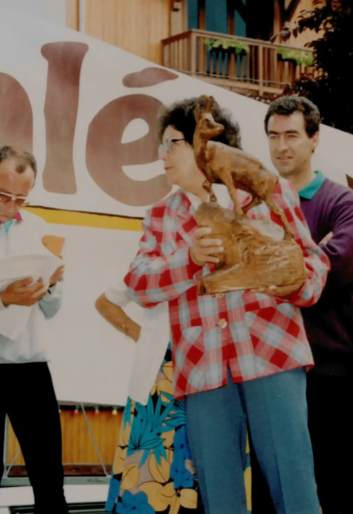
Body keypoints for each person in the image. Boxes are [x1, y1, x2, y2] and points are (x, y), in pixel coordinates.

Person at [124, 97, 328, 514]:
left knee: (296, 491)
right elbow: (139, 283)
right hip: (202, 369)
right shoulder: (161, 216)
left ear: (204, 144)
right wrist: (189, 260)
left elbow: (313, 265)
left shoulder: (270, 191)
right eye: (160, 146)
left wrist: (286, 277)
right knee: (220, 498)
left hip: (271, 355)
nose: (162, 156)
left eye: (172, 143)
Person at [255, 95, 353, 513]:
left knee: (333, 485)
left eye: (292, 136)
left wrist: (280, 263)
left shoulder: (341, 201)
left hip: (328, 367)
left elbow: (338, 270)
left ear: (315, 139)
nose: (281, 146)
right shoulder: (255, 203)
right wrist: (308, 256)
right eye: (272, 136)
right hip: (270, 366)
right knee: (271, 487)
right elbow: (251, 272)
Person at [0, 145, 67, 514]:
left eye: (20, 198)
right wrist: (2, 299)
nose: (10, 206)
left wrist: (51, 285)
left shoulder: (39, 229)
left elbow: (53, 310)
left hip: (30, 363)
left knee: (49, 478)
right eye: (2, 195)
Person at [95, 287, 202, 513]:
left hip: (211, 378)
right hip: (161, 383)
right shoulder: (156, 258)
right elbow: (104, 302)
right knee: (148, 483)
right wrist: (145, 338)